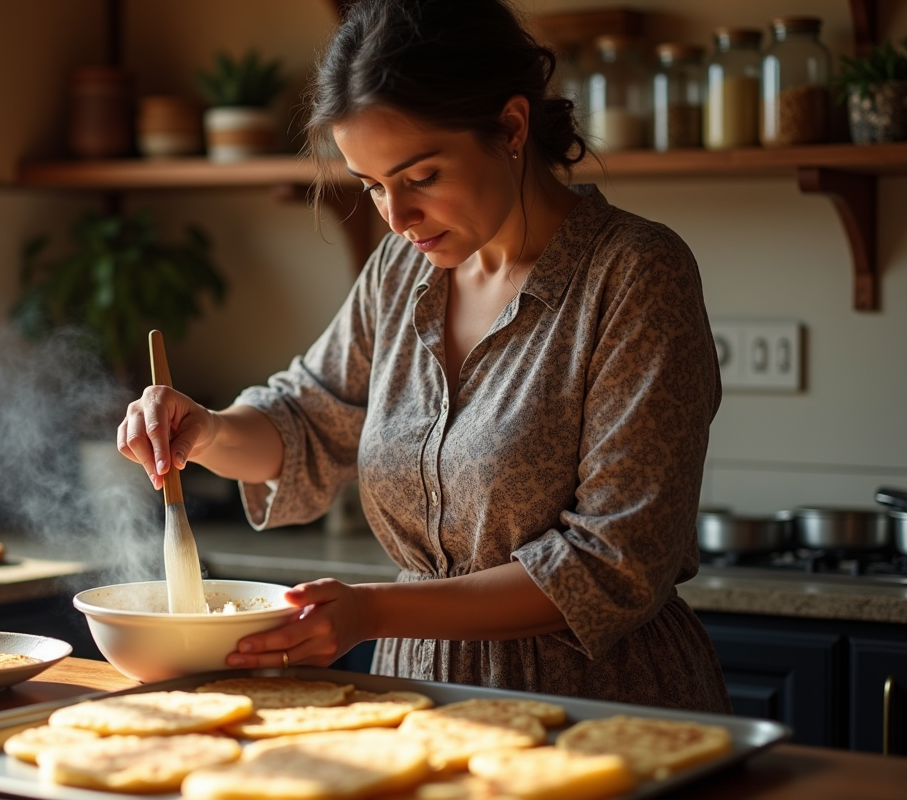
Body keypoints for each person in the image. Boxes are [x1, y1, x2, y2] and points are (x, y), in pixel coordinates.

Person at [118, 0, 731, 714]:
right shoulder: (400, 273)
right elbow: (310, 420)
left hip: (599, 702)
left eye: (422, 176)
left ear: (509, 127)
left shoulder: (633, 274)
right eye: (373, 185)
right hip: (417, 693)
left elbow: (614, 565)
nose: (395, 217)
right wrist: (210, 430)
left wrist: (374, 613)